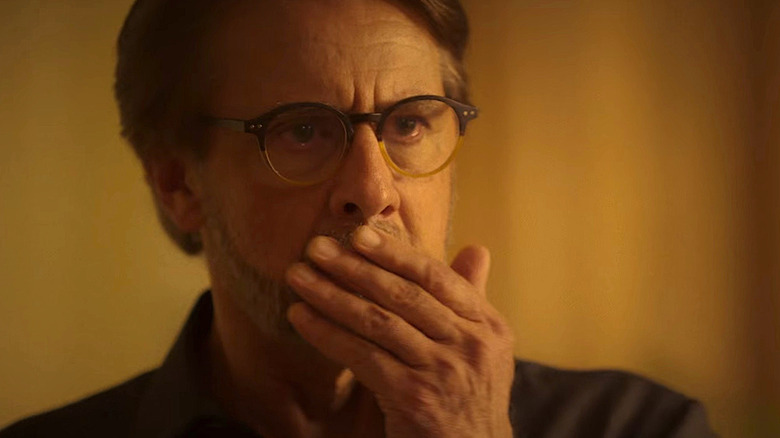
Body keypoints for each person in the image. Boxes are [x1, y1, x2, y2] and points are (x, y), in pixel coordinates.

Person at [1, 0, 717, 437]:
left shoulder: (641, 428)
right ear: (178, 184)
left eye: (408, 123)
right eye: (302, 131)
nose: (373, 193)